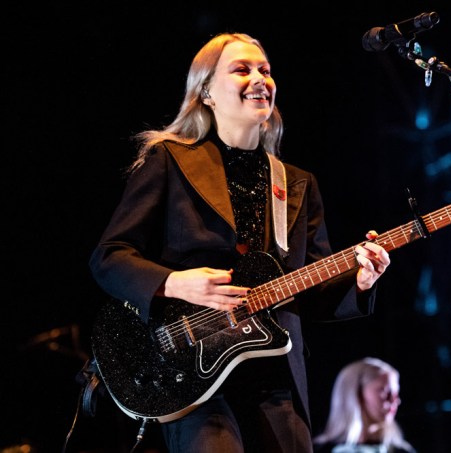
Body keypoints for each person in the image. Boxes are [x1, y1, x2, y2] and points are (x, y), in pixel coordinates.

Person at [88, 32, 391, 452]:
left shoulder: (298, 184)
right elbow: (109, 258)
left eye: (265, 70)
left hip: (276, 377)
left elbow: (314, 294)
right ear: (207, 91)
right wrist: (174, 283)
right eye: (242, 69)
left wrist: (360, 281)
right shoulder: (170, 161)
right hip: (191, 370)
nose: (259, 79)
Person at [313, 357, 416, 453]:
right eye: (385, 391)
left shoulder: (401, 451)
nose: (395, 400)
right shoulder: (318, 450)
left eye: (396, 393)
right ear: (356, 393)